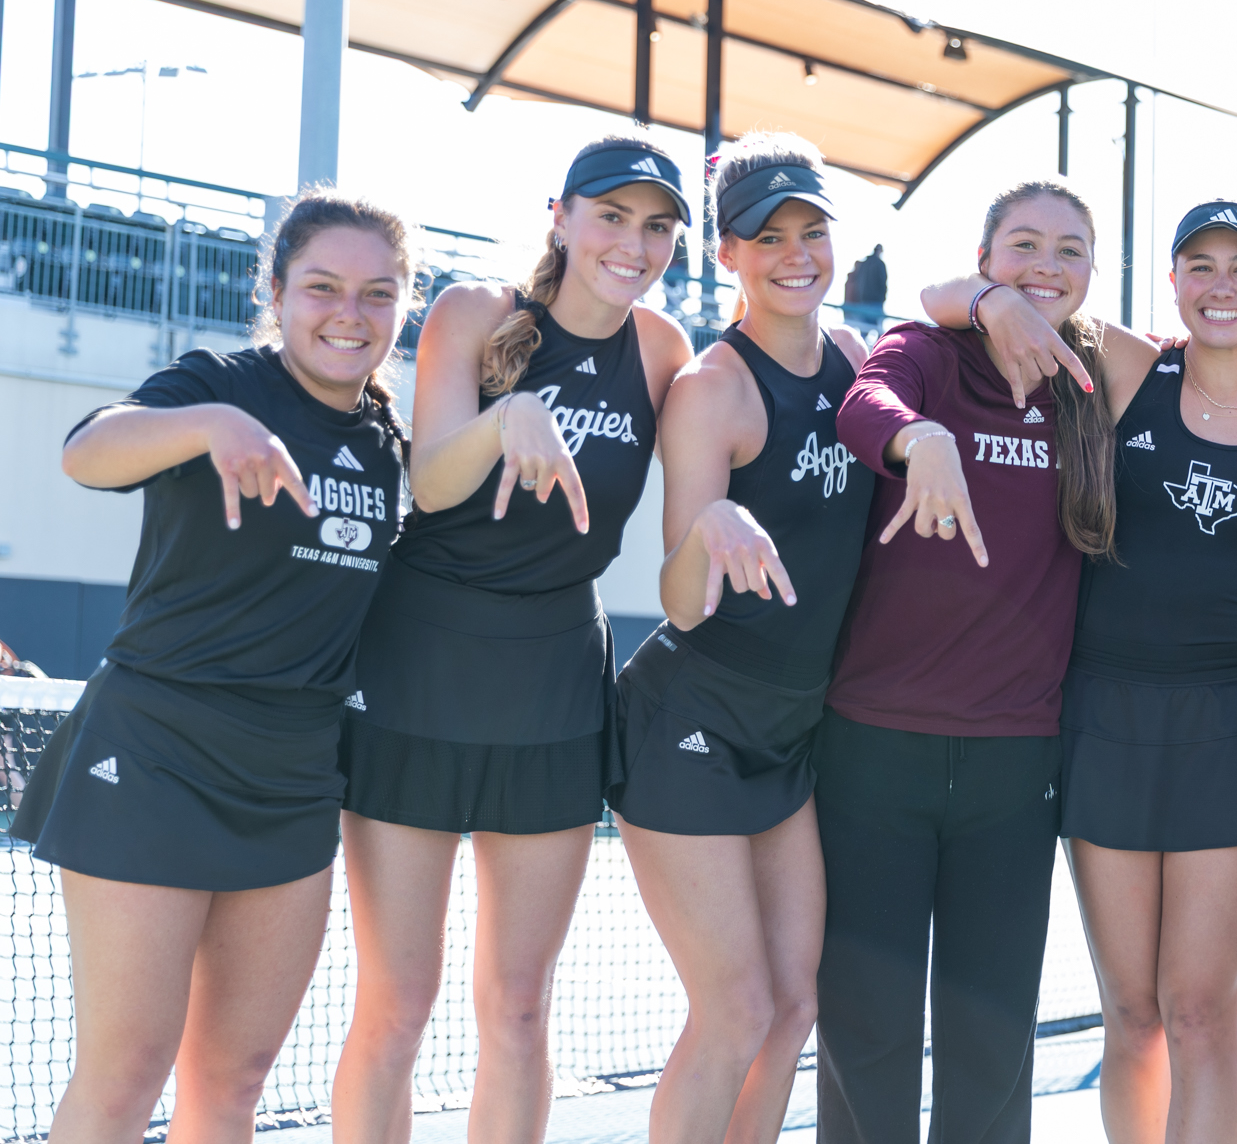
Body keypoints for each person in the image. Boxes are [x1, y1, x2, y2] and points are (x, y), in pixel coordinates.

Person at [15, 190, 412, 1142]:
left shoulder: (391, 442)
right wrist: (208, 426)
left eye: (376, 293)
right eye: (321, 287)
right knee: (126, 1075)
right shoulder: (219, 381)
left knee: (233, 1079)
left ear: (405, 305)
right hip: (154, 756)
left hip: (291, 777)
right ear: (276, 292)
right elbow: (86, 453)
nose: (348, 314)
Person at [332, 137, 693, 1143]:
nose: (632, 242)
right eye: (610, 216)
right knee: (398, 1004)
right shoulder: (473, 313)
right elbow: (434, 483)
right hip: (418, 675)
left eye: (655, 225)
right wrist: (510, 418)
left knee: (522, 1007)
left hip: (553, 692)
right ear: (560, 215)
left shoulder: (662, 351)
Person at [814, 178, 1155, 1143]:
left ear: (1094, 272)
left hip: (1016, 758)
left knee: (992, 1035)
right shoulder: (927, 356)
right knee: (868, 1027)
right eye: (1022, 247)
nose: (1045, 267)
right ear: (984, 256)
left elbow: (1225, 379)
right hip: (874, 746)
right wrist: (918, 435)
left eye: (1069, 251)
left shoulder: (1096, 376)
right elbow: (863, 402)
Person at [1052, 200, 1237, 1143]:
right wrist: (984, 293)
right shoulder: (1128, 367)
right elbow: (987, 301)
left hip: (1226, 729)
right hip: (1104, 719)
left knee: (1203, 1010)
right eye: (1201, 264)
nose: (1222, 285)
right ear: (1172, 280)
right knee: (1132, 1013)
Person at [608, 135, 873, 1144]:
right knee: (733, 1010)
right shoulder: (713, 387)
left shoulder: (854, 361)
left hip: (788, 734)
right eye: (768, 236)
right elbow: (679, 602)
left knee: (792, 1007)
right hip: (693, 718)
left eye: (812, 231)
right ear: (727, 253)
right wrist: (706, 533)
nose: (795, 253)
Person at [842, 243, 888, 337]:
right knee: (878, 333)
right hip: (875, 304)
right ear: (880, 251)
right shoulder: (879, 264)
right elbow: (883, 283)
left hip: (862, 303)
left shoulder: (864, 264)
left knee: (863, 333)